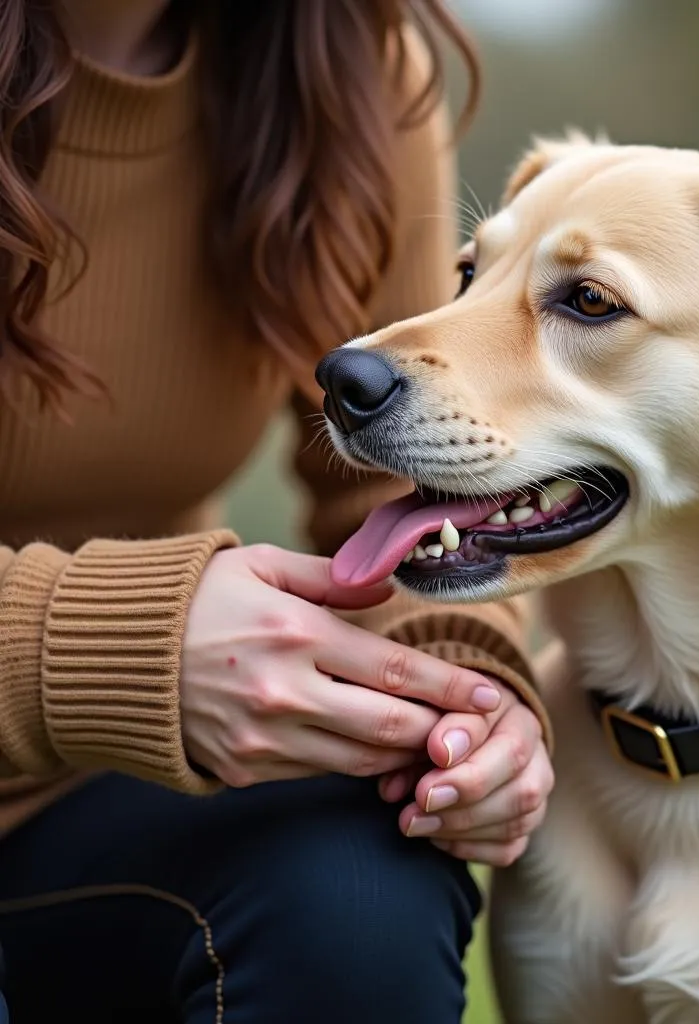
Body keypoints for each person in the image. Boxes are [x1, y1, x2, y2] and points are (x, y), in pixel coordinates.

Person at [0, 1, 555, 1021]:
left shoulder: (342, 63)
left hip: (86, 802)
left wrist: (463, 694)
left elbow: (392, 493)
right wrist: (118, 645)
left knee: (355, 890)